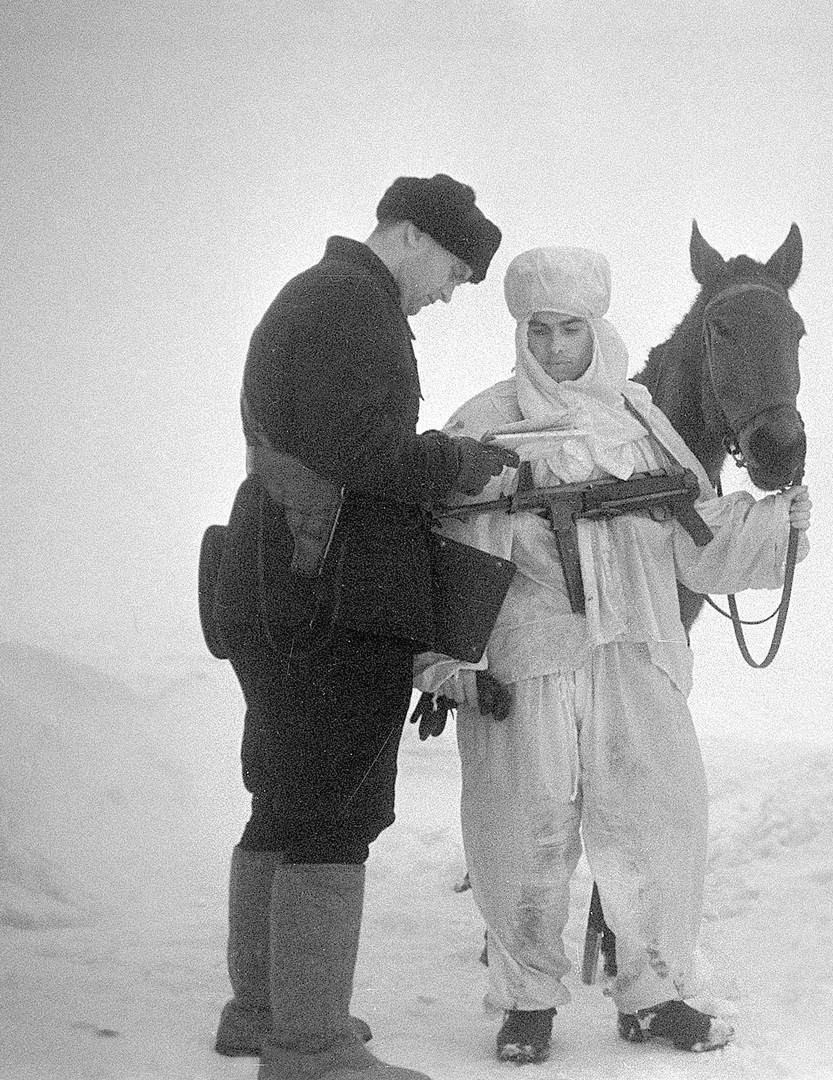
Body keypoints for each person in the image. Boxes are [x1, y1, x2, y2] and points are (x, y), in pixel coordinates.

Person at [414, 246, 811, 1065]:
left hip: (635, 656)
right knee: (519, 831)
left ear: (599, 330)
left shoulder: (642, 427)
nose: (557, 347)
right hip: (524, 666)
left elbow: (698, 545)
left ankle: (655, 993)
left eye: (572, 329)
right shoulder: (480, 425)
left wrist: (775, 526)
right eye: (541, 330)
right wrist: (448, 663)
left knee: (659, 823)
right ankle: (527, 1001)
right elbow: (437, 560)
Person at [208, 174, 513, 1080]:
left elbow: (330, 444)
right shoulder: (355, 305)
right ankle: (310, 1049)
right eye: (455, 270)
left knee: (285, 795)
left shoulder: (319, 296)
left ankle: (260, 1014)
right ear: (411, 235)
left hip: (275, 577)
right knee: (337, 810)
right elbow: (363, 453)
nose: (452, 291)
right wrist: (460, 461)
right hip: (330, 595)